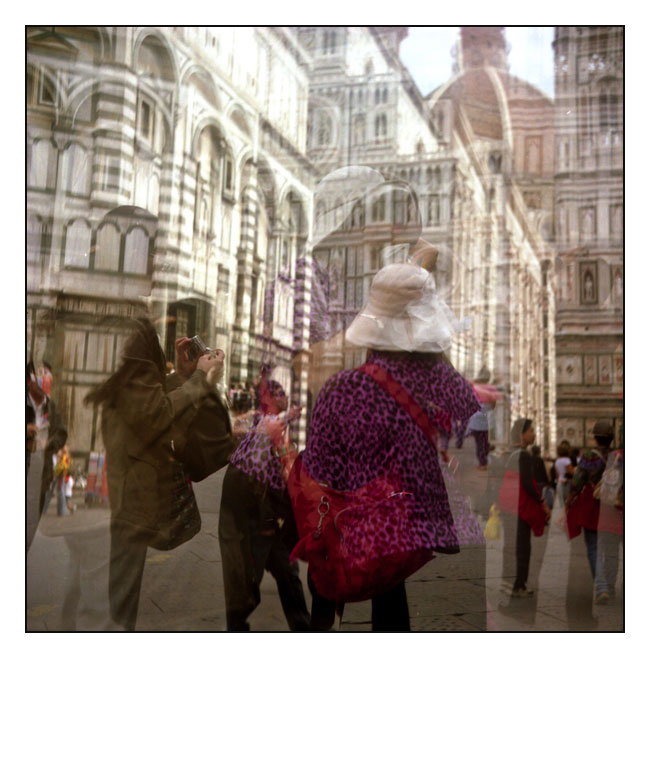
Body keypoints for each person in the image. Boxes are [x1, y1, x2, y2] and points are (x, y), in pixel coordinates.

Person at [266, 261, 480, 631]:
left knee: (325, 597)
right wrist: (437, 355)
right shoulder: (433, 379)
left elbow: (316, 471)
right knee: (391, 603)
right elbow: (469, 414)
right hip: (394, 532)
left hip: (340, 530)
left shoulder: (341, 388)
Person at [84, 318, 228, 630]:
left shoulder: (129, 324)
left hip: (118, 479)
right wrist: (199, 379)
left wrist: (181, 375)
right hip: (126, 485)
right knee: (114, 603)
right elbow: (154, 414)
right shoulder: (131, 328)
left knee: (112, 592)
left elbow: (145, 401)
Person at [218, 370, 310, 631]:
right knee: (249, 584)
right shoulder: (267, 422)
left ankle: (303, 628)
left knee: (289, 576)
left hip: (268, 519)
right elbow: (259, 474)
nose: (285, 398)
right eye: (279, 394)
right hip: (256, 520)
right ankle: (236, 628)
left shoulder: (266, 424)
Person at [565, 420, 620, 604]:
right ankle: (610, 587)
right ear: (612, 438)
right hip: (613, 507)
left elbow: (578, 479)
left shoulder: (589, 456)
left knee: (594, 546)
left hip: (593, 505)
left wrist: (570, 497)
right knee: (612, 550)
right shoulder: (618, 456)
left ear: (595, 438)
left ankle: (602, 587)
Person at [498, 419, 551, 598]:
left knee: (511, 545)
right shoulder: (524, 455)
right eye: (531, 431)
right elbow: (529, 483)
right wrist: (542, 503)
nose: (534, 434)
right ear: (522, 434)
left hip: (508, 506)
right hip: (521, 507)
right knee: (523, 547)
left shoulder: (507, 454)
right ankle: (519, 585)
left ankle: (510, 582)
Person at [26, 361, 67, 550]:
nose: (43, 382)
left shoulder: (52, 407)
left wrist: (48, 444)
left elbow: (61, 433)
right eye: (39, 378)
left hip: (41, 470)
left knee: (34, 516)